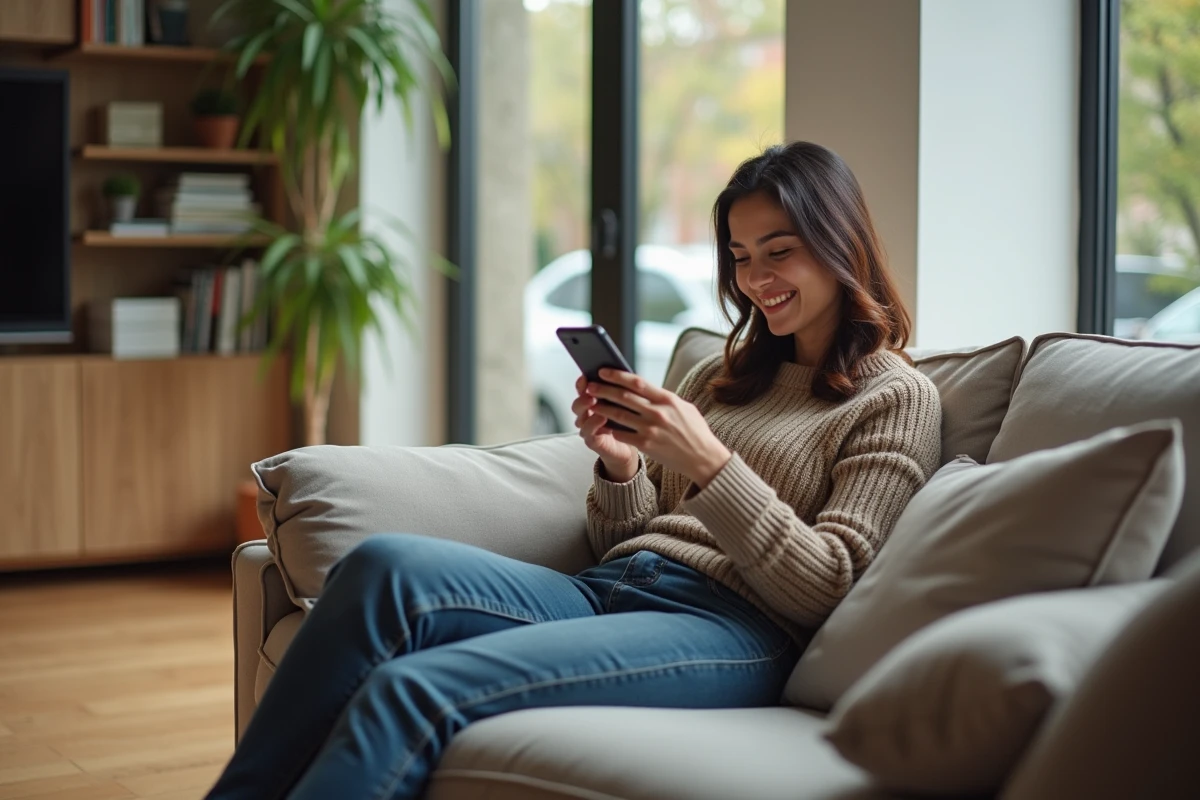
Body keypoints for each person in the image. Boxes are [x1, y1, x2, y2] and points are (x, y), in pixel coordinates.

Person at [205, 141, 942, 800]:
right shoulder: (724, 378)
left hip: (734, 629)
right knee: (380, 568)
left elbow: (827, 586)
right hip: (614, 587)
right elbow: (628, 537)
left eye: (778, 251)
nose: (756, 278)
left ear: (838, 242)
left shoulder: (895, 397)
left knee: (418, 688)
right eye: (742, 256)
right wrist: (621, 468)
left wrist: (710, 463)